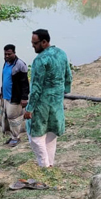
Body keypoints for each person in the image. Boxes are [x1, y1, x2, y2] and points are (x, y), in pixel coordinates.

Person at [24, 29, 72, 167]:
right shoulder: (61, 53)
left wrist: (29, 108)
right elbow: (68, 76)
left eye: (35, 43)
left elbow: (36, 87)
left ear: (44, 42)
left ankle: (44, 166)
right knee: (51, 134)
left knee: (36, 137)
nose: (33, 46)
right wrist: (62, 92)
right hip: (56, 102)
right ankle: (50, 164)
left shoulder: (40, 60)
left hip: (42, 104)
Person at [0, 44, 29, 147]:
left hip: (15, 97)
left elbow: (25, 83)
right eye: (5, 54)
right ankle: (12, 136)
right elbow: (5, 78)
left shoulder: (20, 65)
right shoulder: (6, 63)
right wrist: (2, 91)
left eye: (9, 54)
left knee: (14, 118)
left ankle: (16, 138)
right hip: (6, 96)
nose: (7, 56)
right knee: (7, 117)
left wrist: (24, 98)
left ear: (14, 53)